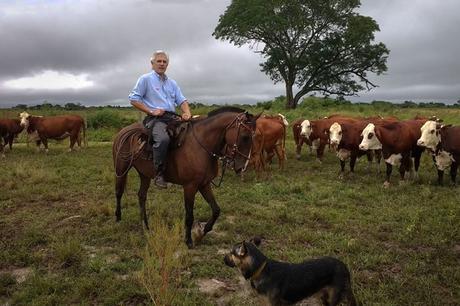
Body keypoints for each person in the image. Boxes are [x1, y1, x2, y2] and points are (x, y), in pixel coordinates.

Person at [129, 50, 191, 188]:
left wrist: (186, 112)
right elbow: (133, 99)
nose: (162, 64)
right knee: (163, 139)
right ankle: (159, 174)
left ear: (167, 64)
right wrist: (151, 110)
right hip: (155, 119)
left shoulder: (172, 83)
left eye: (164, 62)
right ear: (152, 63)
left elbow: (182, 100)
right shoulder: (145, 79)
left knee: (193, 133)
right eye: (159, 61)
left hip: (173, 118)